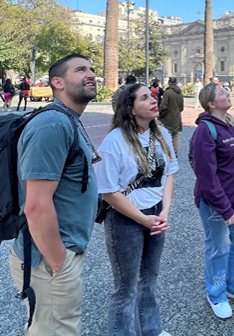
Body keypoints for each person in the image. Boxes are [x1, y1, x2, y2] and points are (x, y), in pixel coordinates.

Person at [8, 54, 99, 336]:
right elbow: (35, 206)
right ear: (57, 82)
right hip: (47, 260)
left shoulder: (67, 120)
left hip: (56, 253)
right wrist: (59, 261)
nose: (92, 74)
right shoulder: (52, 125)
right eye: (81, 69)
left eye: (92, 69)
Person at [98, 84, 178, 336]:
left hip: (156, 214)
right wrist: (143, 219)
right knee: (126, 287)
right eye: (145, 98)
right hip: (125, 218)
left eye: (152, 96)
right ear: (130, 109)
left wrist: (164, 212)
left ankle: (151, 330)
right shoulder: (114, 142)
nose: (154, 100)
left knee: (150, 280)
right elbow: (109, 192)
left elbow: (169, 176)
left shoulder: (162, 133)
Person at [192, 83, 234, 320]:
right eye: (222, 93)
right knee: (217, 247)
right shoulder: (204, 131)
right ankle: (217, 293)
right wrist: (224, 207)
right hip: (214, 202)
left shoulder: (229, 122)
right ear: (211, 103)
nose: (227, 94)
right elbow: (206, 175)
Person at [159, 77, 184, 156]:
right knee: (175, 134)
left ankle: (167, 151)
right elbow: (181, 107)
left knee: (165, 134)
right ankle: (175, 151)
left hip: (167, 117)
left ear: (169, 83)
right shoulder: (180, 93)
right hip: (176, 116)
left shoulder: (168, 92)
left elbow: (163, 106)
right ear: (176, 82)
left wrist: (160, 115)